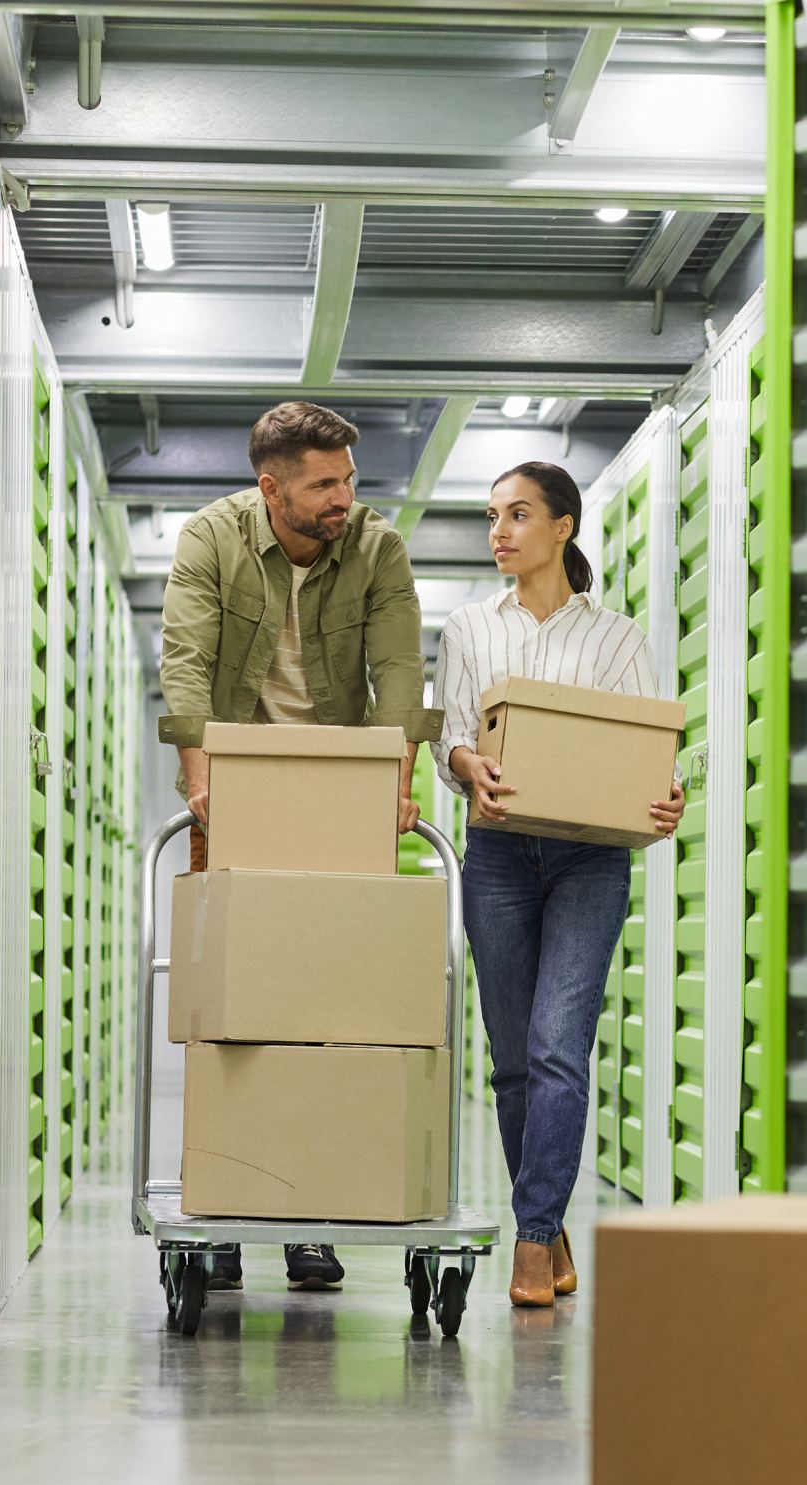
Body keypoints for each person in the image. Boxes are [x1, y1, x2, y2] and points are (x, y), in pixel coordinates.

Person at [157, 401, 439, 1294]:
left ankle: (310, 1215)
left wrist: (399, 780)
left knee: (330, 1015)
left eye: (350, 480)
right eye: (325, 484)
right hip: (237, 786)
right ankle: (233, 1202)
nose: (344, 499)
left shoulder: (376, 548)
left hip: (342, 790)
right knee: (231, 1018)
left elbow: (399, 671)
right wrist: (201, 781)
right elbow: (186, 661)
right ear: (271, 486)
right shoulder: (211, 539)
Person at [436, 463, 685, 1308]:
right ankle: (549, 1218)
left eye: (518, 515)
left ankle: (533, 1240)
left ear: (563, 527)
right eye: (492, 517)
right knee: (513, 1065)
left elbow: (646, 754)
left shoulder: (617, 638)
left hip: (588, 861)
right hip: (499, 854)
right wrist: (471, 765)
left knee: (556, 1049)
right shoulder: (470, 626)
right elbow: (455, 741)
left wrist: (667, 797)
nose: (499, 531)